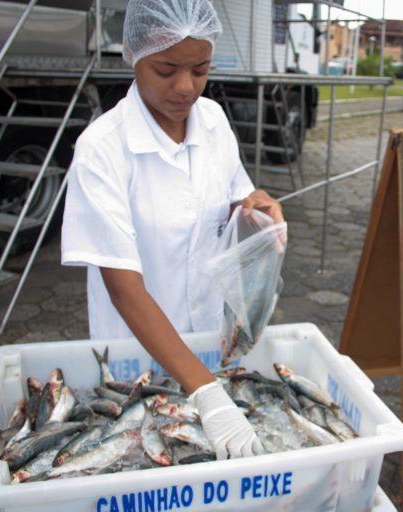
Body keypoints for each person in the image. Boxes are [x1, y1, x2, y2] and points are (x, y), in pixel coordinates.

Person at [60, 0, 283, 461]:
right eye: (166, 70)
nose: (185, 88)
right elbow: (124, 289)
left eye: (200, 70)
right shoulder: (102, 149)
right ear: (135, 56)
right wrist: (206, 393)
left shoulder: (215, 122)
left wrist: (255, 205)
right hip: (135, 361)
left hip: (209, 345)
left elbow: (232, 196)